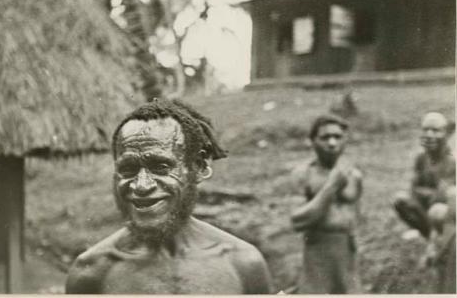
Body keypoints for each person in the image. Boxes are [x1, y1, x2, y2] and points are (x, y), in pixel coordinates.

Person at [65, 99, 272, 294]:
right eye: (128, 169)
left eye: (161, 167)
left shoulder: (243, 264)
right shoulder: (91, 272)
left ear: (198, 167)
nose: (142, 185)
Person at [289, 114, 363, 294]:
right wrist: (331, 187)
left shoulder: (354, 176)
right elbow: (298, 221)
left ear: (345, 140)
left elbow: (354, 216)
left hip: (346, 253)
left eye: (337, 137)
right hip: (317, 252)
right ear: (312, 141)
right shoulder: (303, 174)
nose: (332, 143)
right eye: (325, 137)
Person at [393, 112, 455, 239]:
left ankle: (441, 235)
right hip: (427, 207)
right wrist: (425, 193)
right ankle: (426, 232)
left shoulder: (451, 161)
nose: (429, 135)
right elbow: (413, 190)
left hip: (446, 213)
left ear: (447, 134)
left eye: (436, 130)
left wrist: (423, 192)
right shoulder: (421, 158)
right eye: (425, 130)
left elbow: (440, 197)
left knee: (439, 209)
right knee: (401, 200)